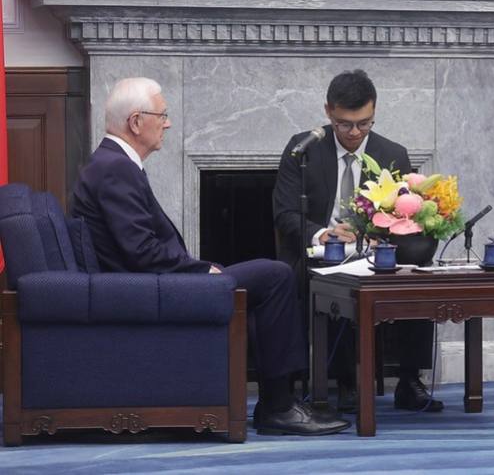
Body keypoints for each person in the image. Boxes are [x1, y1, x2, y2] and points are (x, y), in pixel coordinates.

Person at [71, 77, 350, 437]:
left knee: (267, 278)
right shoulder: (114, 168)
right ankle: (279, 406)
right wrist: (202, 269)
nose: (168, 123)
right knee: (276, 275)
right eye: (163, 115)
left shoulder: (112, 163)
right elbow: (140, 252)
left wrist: (199, 267)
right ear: (137, 122)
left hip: (152, 284)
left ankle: (279, 402)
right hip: (148, 292)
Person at [273, 69, 443, 413]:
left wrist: (383, 238)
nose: (354, 133)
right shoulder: (303, 148)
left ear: (374, 111)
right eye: (344, 124)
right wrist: (322, 232)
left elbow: (404, 216)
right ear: (328, 112)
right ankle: (346, 382)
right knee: (335, 277)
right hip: (322, 252)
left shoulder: (392, 154)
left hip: (375, 254)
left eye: (363, 124)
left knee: (418, 277)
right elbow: (285, 213)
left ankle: (410, 381)